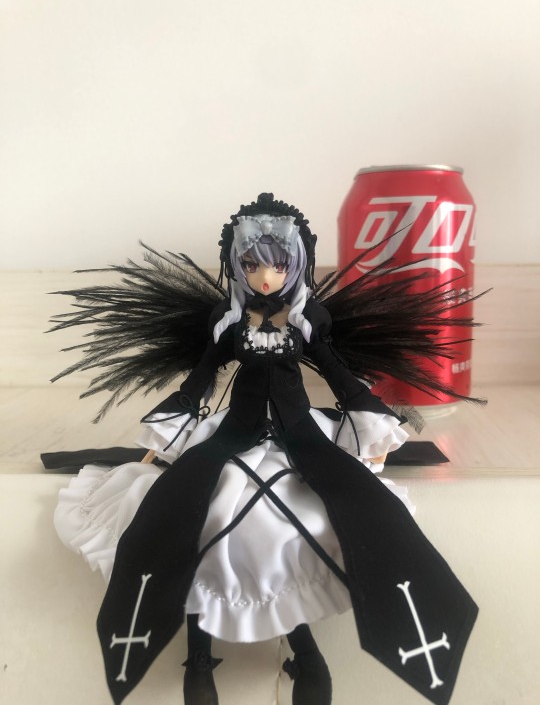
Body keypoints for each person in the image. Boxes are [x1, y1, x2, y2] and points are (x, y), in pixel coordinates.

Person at [52, 193, 479, 705]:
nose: (265, 277)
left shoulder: (307, 320)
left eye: (277, 265)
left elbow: (337, 373)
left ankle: (307, 654)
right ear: (237, 265)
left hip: (301, 434)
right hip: (235, 431)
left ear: (296, 263)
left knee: (342, 507)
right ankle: (199, 654)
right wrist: (168, 433)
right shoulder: (229, 323)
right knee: (191, 505)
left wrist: (371, 420)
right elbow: (201, 379)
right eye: (252, 265)